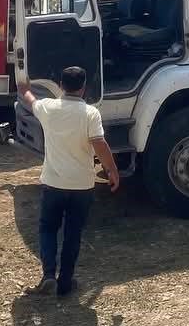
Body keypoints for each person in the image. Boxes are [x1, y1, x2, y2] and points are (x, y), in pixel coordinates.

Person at [17, 66, 119, 297]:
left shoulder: (48, 108)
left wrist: (24, 87)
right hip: (82, 186)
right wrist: (111, 169)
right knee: (73, 233)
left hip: (53, 183)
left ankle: (49, 274)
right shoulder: (90, 113)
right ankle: (65, 282)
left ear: (61, 86)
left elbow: (30, 99)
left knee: (48, 228)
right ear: (83, 88)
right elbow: (100, 144)